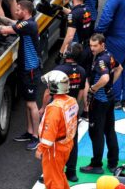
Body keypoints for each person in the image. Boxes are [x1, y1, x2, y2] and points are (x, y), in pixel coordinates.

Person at [0, 0, 41, 150]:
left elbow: (5, 30)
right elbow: (12, 23)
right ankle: (29, 132)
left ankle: (36, 136)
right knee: (27, 103)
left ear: (25, 12)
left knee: (32, 104)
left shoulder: (29, 25)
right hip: (26, 69)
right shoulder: (26, 23)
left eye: (18, 10)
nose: (16, 11)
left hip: (31, 70)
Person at [39, 43, 86, 182]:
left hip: (58, 110)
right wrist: (75, 106)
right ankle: (71, 172)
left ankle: (51, 171)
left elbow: (48, 91)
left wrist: (43, 107)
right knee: (72, 141)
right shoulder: (82, 71)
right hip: (72, 110)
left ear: (67, 54)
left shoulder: (59, 70)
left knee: (53, 142)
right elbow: (82, 91)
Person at [80, 33, 122, 175]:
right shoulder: (108, 55)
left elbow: (104, 77)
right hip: (109, 99)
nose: (92, 48)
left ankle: (97, 164)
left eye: (95, 46)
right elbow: (119, 68)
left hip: (99, 102)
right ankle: (113, 163)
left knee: (96, 133)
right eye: (90, 45)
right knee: (110, 131)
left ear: (102, 44)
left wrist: (93, 88)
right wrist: (110, 85)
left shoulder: (101, 60)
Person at [36, 70, 78, 189]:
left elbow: (49, 134)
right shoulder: (71, 100)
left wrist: (40, 149)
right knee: (58, 174)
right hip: (67, 144)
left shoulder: (54, 108)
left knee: (53, 180)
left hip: (55, 148)